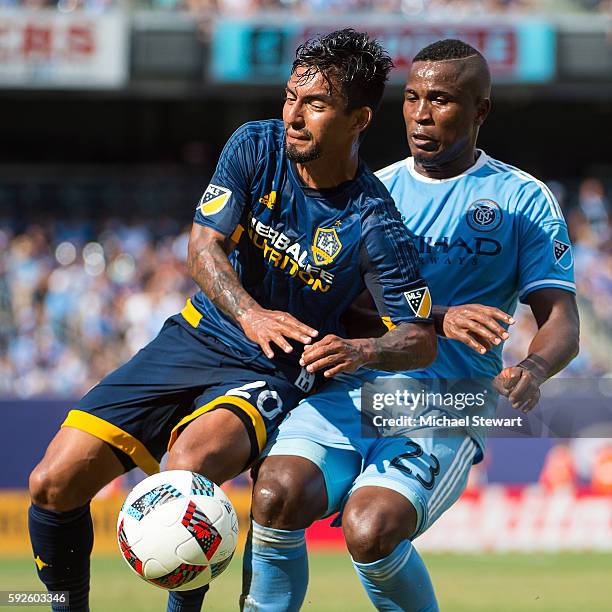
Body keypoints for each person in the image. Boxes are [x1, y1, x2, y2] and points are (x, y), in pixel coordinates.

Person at [27, 29, 437, 612]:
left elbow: (417, 338)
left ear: (360, 119)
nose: (294, 115)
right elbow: (203, 246)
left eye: (315, 105)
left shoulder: (374, 221)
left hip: (275, 367)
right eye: (291, 97)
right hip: (200, 334)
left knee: (188, 466)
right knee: (52, 483)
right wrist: (249, 312)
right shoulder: (255, 145)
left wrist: (362, 352)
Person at [243, 39, 580, 611]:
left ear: (481, 111)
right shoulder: (372, 193)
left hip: (446, 400)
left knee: (370, 528)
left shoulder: (523, 199)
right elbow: (346, 308)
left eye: (442, 100)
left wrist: (534, 365)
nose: (422, 114)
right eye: (414, 98)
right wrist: (431, 323)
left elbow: (562, 320)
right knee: (275, 495)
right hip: (354, 386)